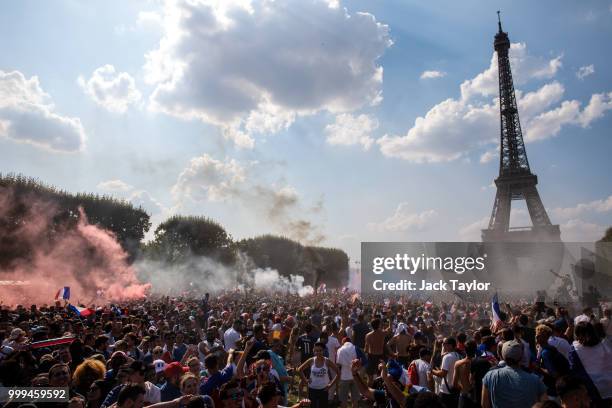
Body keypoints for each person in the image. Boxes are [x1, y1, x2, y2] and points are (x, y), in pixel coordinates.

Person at [481, 340, 547, 408]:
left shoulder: (490, 376)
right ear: (521, 357)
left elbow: (484, 405)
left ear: (502, 356)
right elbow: (545, 403)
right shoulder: (535, 380)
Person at [568, 322, 612, 404]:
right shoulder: (603, 345)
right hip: (606, 385)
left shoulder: (576, 349)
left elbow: (574, 370)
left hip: (590, 388)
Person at [298, 342, 339, 408]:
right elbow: (299, 370)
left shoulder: (327, 361)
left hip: (324, 389)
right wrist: (305, 380)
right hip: (312, 389)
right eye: (316, 351)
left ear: (323, 351)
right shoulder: (311, 360)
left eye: (320, 350)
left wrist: (330, 384)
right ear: (314, 351)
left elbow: (338, 372)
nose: (318, 352)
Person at [432, 337, 461, 407]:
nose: (443, 346)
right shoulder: (458, 356)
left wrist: (432, 370)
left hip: (446, 390)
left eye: (444, 344)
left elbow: (442, 374)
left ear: (450, 345)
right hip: (455, 389)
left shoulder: (447, 357)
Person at [452, 340, 477, 408]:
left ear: (464, 350)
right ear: (475, 349)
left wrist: (463, 388)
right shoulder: (478, 363)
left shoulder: (458, 363)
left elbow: (454, 383)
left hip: (463, 394)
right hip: (475, 396)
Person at [336, 338, 359, 408]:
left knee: (343, 399)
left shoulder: (340, 350)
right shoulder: (356, 348)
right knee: (355, 399)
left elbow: (338, 364)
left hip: (344, 377)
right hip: (355, 376)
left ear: (343, 342)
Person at [364, 318, 386, 385]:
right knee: (381, 377)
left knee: (370, 378)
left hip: (371, 357)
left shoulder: (368, 335)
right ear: (379, 325)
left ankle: (368, 393)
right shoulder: (383, 333)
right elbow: (389, 329)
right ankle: (380, 391)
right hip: (380, 357)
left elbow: (366, 349)